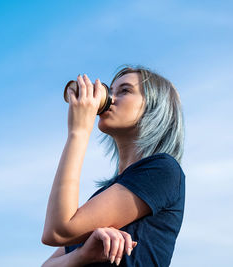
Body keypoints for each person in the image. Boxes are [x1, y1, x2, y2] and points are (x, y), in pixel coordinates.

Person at [41, 65, 185, 266]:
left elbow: (58, 230)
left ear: (154, 108)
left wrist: (79, 132)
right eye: (111, 91)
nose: (110, 98)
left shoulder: (163, 171)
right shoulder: (104, 196)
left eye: (125, 91)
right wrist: (83, 255)